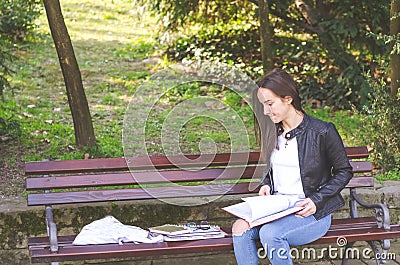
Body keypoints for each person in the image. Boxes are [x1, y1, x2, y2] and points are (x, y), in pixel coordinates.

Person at [232, 68, 353, 265]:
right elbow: (271, 170)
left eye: (270, 104)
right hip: (277, 208)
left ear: (288, 99)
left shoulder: (322, 131)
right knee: (240, 228)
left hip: (312, 212)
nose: (265, 111)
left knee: (271, 235)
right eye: (263, 105)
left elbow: (344, 171)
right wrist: (266, 184)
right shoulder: (273, 132)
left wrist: (316, 200)